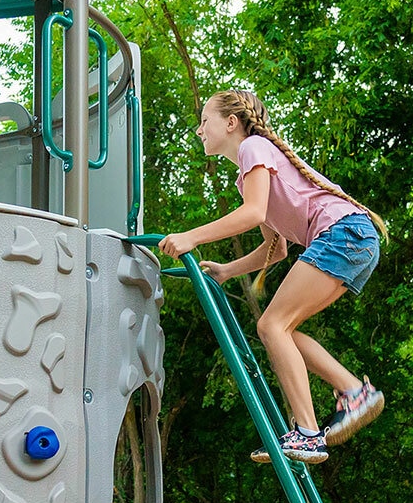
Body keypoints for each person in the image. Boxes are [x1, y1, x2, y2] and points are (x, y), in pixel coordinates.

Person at [160, 89, 386, 464]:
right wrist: (228, 270)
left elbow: (251, 214)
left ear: (231, 123)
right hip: (354, 238)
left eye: (204, 121)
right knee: (285, 331)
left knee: (271, 326)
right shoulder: (249, 171)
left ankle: (309, 433)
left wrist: (190, 237)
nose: (199, 130)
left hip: (343, 233)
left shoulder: (253, 148)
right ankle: (353, 392)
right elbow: (275, 248)